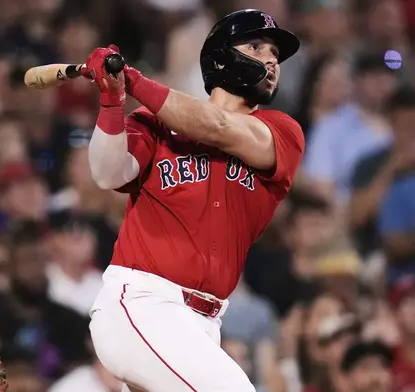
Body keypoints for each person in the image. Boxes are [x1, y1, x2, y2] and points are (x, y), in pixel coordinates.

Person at [83, 9, 305, 392]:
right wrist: (112, 100)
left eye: (275, 53)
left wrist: (133, 80)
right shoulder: (155, 124)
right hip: (142, 303)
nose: (271, 60)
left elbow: (216, 126)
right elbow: (107, 173)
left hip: (204, 324)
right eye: (256, 47)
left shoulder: (282, 131)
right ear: (220, 57)